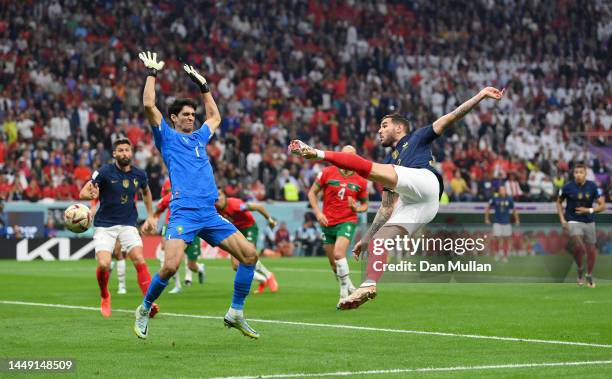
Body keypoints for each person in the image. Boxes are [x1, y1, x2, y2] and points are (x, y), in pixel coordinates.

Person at [290, 86, 505, 309]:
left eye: (384, 126)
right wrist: (366, 240)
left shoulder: (418, 137)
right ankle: (369, 285)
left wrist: (480, 96)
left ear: (399, 127)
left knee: (369, 167)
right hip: (420, 205)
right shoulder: (391, 158)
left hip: (426, 183)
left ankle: (316, 152)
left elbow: (451, 117)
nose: (379, 131)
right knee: (379, 241)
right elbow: (385, 208)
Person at [134, 51, 260, 339]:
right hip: (184, 212)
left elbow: (215, 116)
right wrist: (152, 73)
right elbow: (148, 104)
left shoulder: (200, 137)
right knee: (169, 267)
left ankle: (236, 313)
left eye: (193, 114)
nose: (191, 118)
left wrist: (204, 87)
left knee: (249, 255)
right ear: (174, 118)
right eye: (186, 115)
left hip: (209, 213)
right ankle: (144, 308)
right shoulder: (166, 136)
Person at [79, 138, 158, 318]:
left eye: (127, 150)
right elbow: (83, 192)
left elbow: (146, 192)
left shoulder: (139, 174)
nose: (124, 153)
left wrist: (151, 215)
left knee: (138, 258)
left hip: (128, 223)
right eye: (120, 150)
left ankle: (148, 303)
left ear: (131, 153)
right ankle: (105, 295)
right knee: (104, 264)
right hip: (104, 225)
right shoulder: (104, 172)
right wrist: (90, 193)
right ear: (114, 154)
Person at [307, 145, 368, 307]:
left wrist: (357, 208)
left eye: (352, 157)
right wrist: (318, 213)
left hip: (347, 221)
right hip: (327, 223)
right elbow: (312, 193)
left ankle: (343, 295)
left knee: (339, 254)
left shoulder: (361, 179)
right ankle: (351, 288)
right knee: (334, 265)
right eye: (345, 156)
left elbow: (365, 205)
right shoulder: (327, 172)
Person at [215, 187, 279, 294]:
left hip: (249, 228)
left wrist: (270, 220)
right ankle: (263, 280)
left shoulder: (236, 205)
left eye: (219, 195)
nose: (217, 199)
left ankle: (269, 275)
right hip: (235, 231)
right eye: (215, 197)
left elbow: (258, 207)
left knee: (248, 254)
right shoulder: (215, 208)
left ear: (225, 196)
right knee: (236, 265)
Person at [556, 163, 605, 288]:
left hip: (589, 221)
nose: (578, 174)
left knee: (592, 251)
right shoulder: (567, 187)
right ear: (573, 174)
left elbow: (602, 205)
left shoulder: (593, 186)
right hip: (573, 220)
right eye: (576, 172)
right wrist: (562, 219)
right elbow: (558, 202)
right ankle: (579, 269)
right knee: (578, 246)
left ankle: (588, 274)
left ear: (585, 173)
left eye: (581, 172)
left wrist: (588, 210)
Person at [154, 179, 206, 294]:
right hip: (171, 225)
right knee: (171, 254)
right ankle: (176, 284)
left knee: (192, 265)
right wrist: (153, 220)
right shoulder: (169, 193)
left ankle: (200, 268)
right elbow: (159, 207)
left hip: (190, 228)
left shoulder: (190, 192)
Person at [484, 186, 520, 263]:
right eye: (501, 190)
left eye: (503, 189)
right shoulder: (494, 198)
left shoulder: (509, 199)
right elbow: (487, 208)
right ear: (499, 191)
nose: (502, 191)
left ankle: (505, 256)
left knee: (506, 239)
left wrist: (517, 219)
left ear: (505, 190)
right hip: (497, 222)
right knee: (496, 238)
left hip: (506, 222)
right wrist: (487, 219)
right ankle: (497, 254)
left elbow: (514, 210)